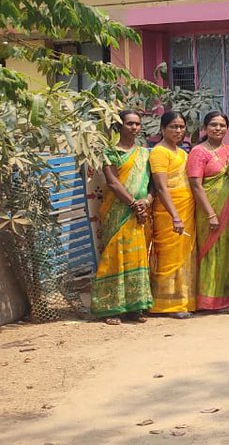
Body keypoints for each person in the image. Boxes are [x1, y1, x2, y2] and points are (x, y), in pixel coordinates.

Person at [92, 110, 153, 324]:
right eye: (130, 124)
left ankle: (135, 307)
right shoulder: (110, 152)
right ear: (120, 126)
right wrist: (132, 203)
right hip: (117, 211)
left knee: (136, 256)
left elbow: (152, 184)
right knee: (114, 255)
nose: (134, 127)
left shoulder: (145, 153)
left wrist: (145, 202)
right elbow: (113, 182)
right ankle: (110, 308)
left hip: (140, 213)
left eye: (137, 124)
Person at [187, 111, 229, 312]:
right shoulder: (198, 152)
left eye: (222, 125)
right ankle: (208, 301)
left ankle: (227, 299)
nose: (218, 128)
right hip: (208, 210)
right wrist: (210, 213)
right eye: (213, 125)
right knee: (210, 251)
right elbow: (196, 185)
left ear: (227, 128)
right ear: (205, 128)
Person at [148, 111, 197, 318]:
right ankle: (166, 304)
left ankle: (183, 301)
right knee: (168, 255)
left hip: (186, 207)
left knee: (184, 255)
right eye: (173, 127)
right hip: (169, 211)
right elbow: (161, 187)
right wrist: (175, 215)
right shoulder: (159, 152)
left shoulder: (182, 152)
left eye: (181, 127)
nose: (178, 131)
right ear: (162, 129)